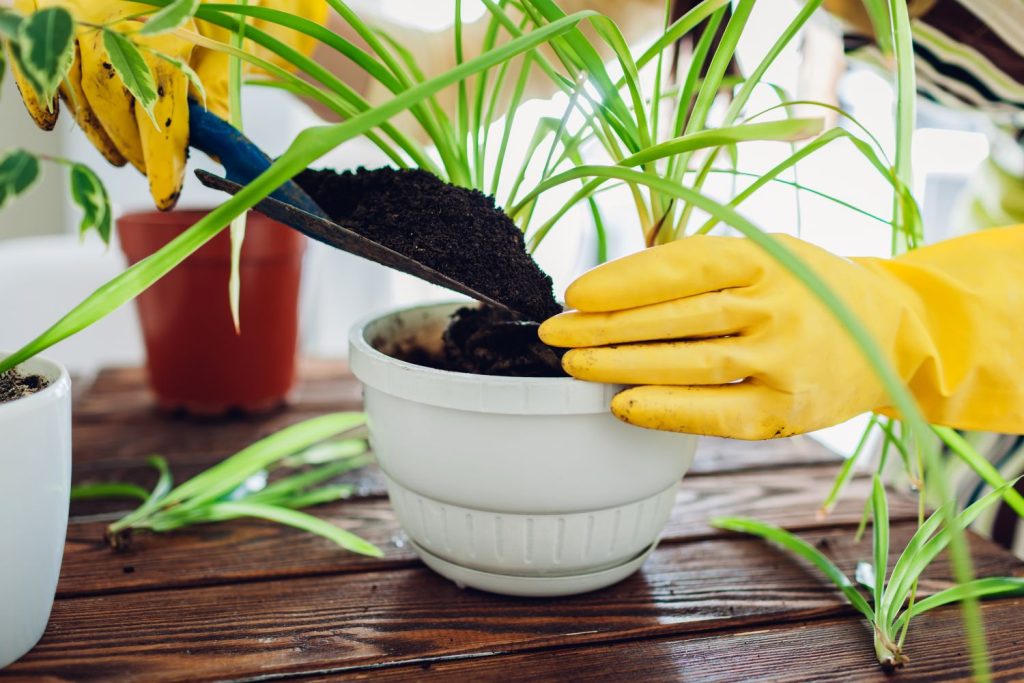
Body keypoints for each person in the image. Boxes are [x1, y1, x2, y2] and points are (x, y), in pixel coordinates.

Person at [11, 1, 1024, 541]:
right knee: (954, 564)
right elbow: (471, 62)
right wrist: (264, 22)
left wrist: (917, 317)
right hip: (956, 406)